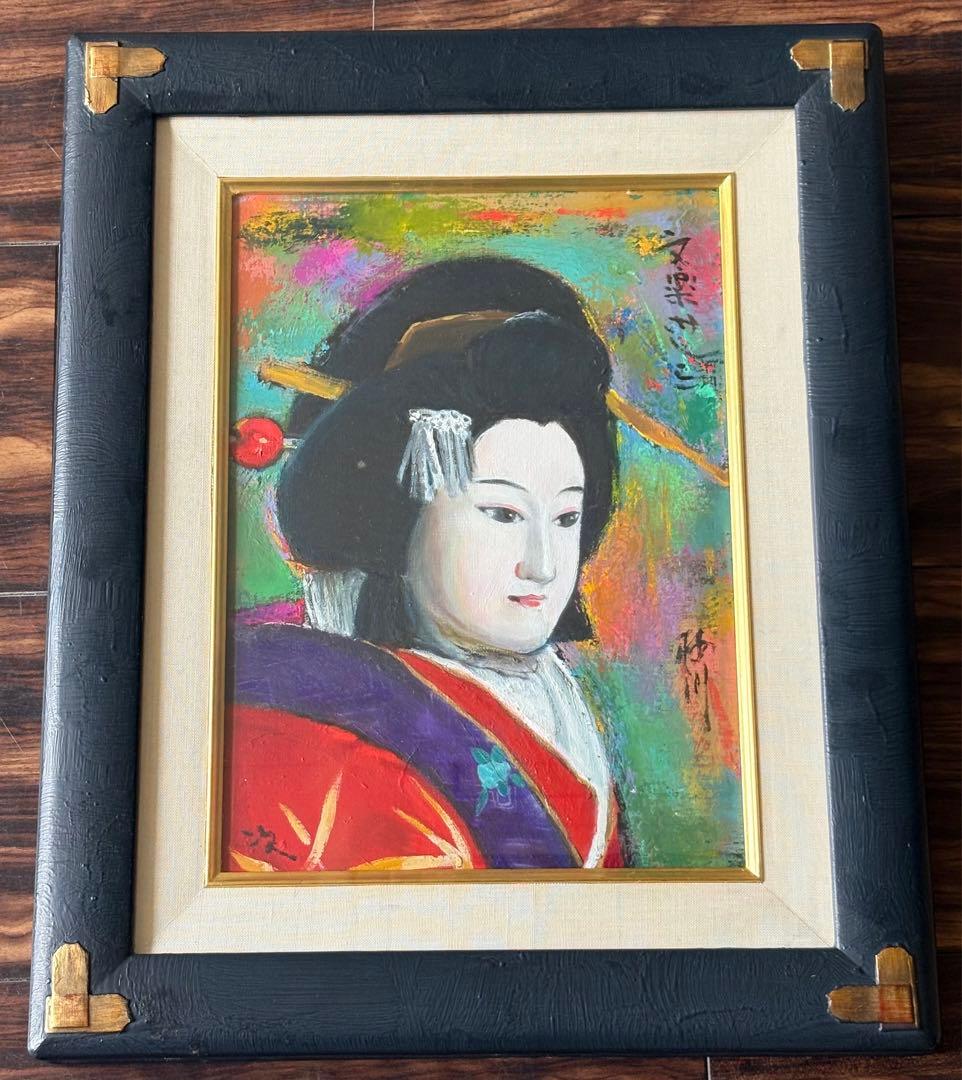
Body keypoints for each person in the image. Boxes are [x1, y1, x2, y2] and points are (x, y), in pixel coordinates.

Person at [225, 257, 625, 872]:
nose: (543, 566)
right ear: (396, 518)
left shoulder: (560, 712)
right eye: (502, 514)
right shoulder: (285, 726)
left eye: (566, 518)